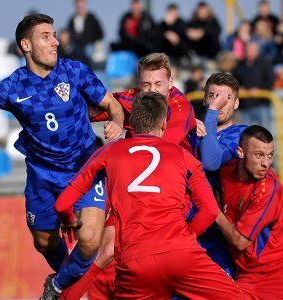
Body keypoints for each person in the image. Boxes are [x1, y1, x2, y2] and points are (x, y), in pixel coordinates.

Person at [0, 13, 124, 299]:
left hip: (85, 167)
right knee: (44, 242)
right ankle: (70, 282)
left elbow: (112, 103)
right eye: (45, 37)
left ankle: (58, 286)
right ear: (26, 45)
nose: (55, 42)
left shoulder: (74, 71)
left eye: (55, 35)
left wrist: (118, 122)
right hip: (43, 175)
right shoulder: (12, 87)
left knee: (89, 240)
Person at [55, 91, 243, 299]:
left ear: (132, 123)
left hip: (135, 261)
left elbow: (62, 204)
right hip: (181, 254)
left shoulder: (108, 152)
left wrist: (68, 219)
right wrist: (186, 237)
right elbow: (208, 210)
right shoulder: (183, 156)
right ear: (163, 123)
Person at [216, 125, 283, 299]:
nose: (266, 163)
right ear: (240, 152)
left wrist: (214, 211)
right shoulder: (225, 172)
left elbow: (239, 241)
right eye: (259, 155)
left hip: (272, 278)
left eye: (270, 155)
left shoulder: (267, 189)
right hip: (245, 275)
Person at [91, 52, 198, 156]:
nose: (152, 90)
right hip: (136, 163)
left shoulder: (181, 108)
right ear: (139, 84)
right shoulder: (131, 99)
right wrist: (115, 119)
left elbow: (163, 148)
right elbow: (87, 109)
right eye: (146, 84)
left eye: (158, 84)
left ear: (170, 83)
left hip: (176, 168)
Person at [197, 73, 248, 278]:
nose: (218, 103)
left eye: (224, 98)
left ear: (235, 103)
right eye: (213, 96)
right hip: (183, 231)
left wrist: (211, 112)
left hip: (218, 236)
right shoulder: (191, 131)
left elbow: (211, 161)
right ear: (204, 98)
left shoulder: (242, 134)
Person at [67, 0, 105, 66]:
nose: (80, 7)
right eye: (78, 5)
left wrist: (91, 40)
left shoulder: (92, 18)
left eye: (81, 4)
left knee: (88, 51)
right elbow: (69, 34)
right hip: (77, 47)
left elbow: (100, 33)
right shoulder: (72, 20)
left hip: (90, 46)